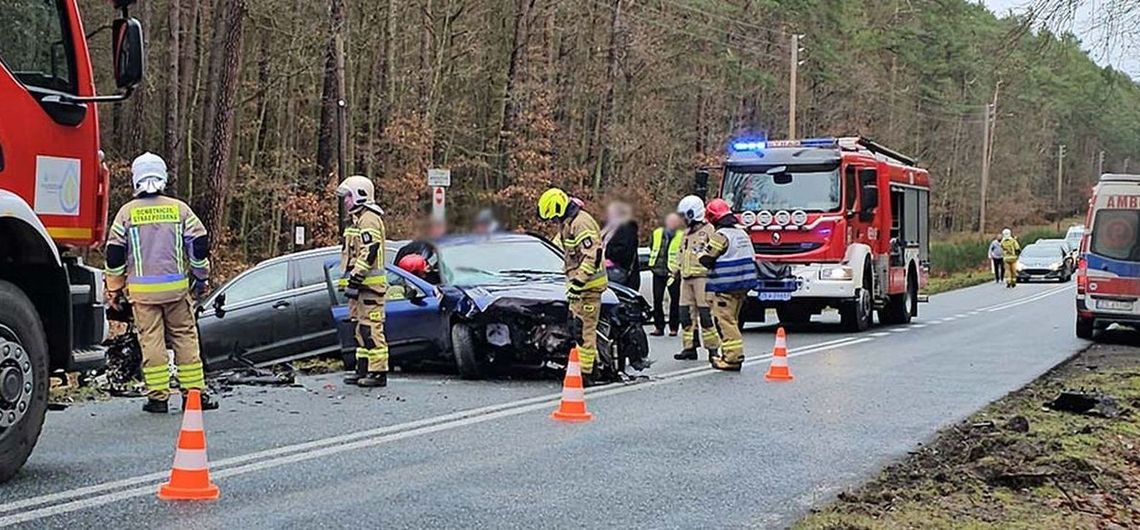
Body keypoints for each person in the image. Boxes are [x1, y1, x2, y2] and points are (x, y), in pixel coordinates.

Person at [104, 153, 218, 413]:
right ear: (163, 176)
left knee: (151, 342)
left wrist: (114, 288)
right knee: (185, 339)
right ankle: (194, 395)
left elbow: (114, 255)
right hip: (177, 292)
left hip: (143, 296)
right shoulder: (179, 209)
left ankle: (158, 398)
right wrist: (201, 279)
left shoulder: (127, 213)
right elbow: (199, 246)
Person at [538, 188, 607, 382]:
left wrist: (578, 282)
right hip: (578, 288)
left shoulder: (581, 223)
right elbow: (559, 246)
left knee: (584, 331)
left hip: (588, 287)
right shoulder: (568, 224)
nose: (554, 222)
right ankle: (593, 368)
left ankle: (586, 373)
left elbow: (592, 256)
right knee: (577, 328)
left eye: (553, 218)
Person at [337, 175, 390, 387]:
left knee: (371, 329)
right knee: (359, 329)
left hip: (369, 288)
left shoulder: (369, 218)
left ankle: (378, 373)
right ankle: (363, 369)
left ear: (360, 195)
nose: (345, 201)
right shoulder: (357, 219)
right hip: (359, 288)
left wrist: (356, 278)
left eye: (348, 196)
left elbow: (370, 251)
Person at [700, 199, 757, 371]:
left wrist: (700, 253)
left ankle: (732, 358)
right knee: (733, 319)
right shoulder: (742, 233)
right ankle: (731, 355)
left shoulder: (721, 235)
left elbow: (707, 258)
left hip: (725, 286)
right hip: (743, 285)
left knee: (725, 321)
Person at [673, 195, 721, 361]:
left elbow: (715, 254)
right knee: (685, 314)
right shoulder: (686, 233)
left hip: (703, 278)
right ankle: (689, 347)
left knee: (706, 315)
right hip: (686, 279)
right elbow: (681, 254)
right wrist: (674, 272)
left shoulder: (710, 231)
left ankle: (713, 349)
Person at [648, 212, 684, 336]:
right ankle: (659, 327)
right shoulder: (657, 233)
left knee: (675, 301)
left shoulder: (681, 235)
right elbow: (652, 247)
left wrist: (678, 270)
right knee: (657, 300)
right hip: (658, 271)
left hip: (673, 272)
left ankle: (674, 327)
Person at [602, 201, 640, 290]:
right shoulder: (611, 228)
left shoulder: (627, 228)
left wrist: (607, 254)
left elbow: (624, 250)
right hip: (608, 270)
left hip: (620, 271)